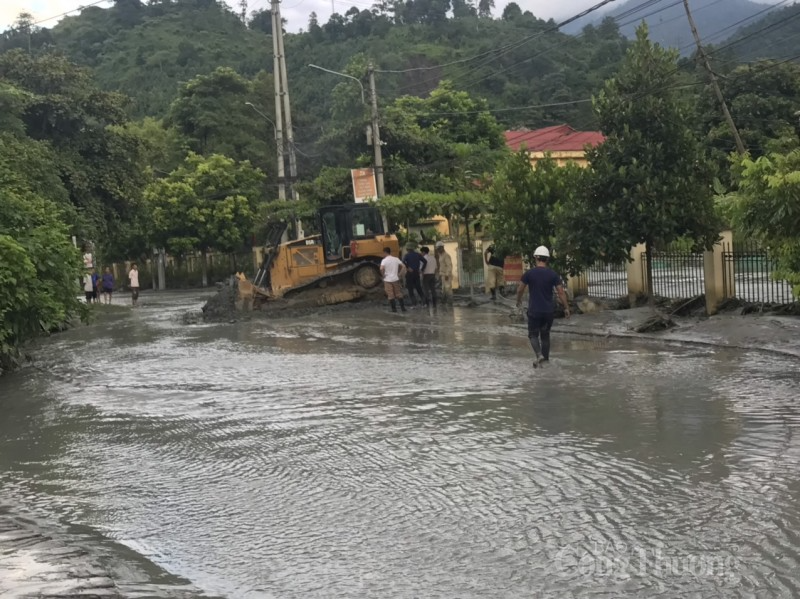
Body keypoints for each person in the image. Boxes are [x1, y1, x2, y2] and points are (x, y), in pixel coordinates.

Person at [515, 245, 571, 368]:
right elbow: (561, 292)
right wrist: (566, 308)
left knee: (533, 335)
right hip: (548, 312)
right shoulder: (553, 274)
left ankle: (539, 355)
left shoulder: (529, 274)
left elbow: (520, 289)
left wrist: (518, 301)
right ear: (547, 259)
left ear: (536, 257)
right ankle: (545, 362)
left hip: (534, 311)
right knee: (545, 336)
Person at [380, 247, 407, 313]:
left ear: (385, 252)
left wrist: (383, 275)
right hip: (395, 279)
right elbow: (403, 266)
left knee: (390, 295)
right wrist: (400, 274)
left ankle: (394, 310)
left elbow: (381, 269)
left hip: (388, 280)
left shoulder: (384, 260)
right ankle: (403, 308)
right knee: (398, 293)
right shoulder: (396, 259)